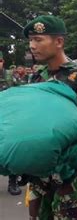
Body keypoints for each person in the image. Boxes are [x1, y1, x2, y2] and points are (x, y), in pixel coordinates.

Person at [25, 15, 77, 220]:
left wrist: (64, 158)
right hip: (39, 174)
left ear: (59, 42)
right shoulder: (37, 77)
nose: (32, 45)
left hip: (68, 177)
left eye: (38, 39)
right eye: (30, 40)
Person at [0, 52, 22, 196]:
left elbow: (22, 91)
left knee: (12, 150)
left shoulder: (10, 75)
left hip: (9, 118)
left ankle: (13, 182)